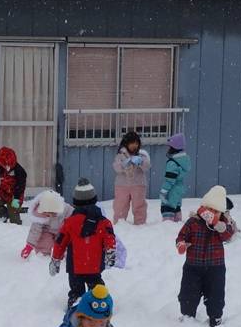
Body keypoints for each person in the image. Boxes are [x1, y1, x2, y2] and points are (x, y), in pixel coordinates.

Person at [50, 179, 117, 309]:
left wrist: (55, 259)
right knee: (97, 288)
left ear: (75, 202)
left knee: (76, 290)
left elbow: (60, 242)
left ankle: (76, 303)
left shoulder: (69, 222)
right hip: (94, 265)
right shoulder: (103, 222)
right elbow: (110, 238)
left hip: (75, 266)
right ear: (94, 200)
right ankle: (99, 304)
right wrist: (110, 253)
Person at [176, 185, 237, 327]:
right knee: (188, 294)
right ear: (204, 209)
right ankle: (187, 316)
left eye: (216, 211)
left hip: (215, 268)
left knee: (215, 296)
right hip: (193, 266)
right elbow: (181, 236)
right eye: (210, 210)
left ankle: (216, 318)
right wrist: (181, 244)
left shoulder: (223, 224)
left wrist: (220, 226)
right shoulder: (193, 222)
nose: (212, 214)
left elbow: (228, 236)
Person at [112, 131, 151, 224]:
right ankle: (119, 223)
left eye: (137, 143)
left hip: (138, 184)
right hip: (122, 185)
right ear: (126, 143)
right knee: (120, 205)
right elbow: (116, 167)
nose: (134, 145)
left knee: (139, 205)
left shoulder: (141, 155)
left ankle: (140, 223)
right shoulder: (121, 155)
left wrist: (141, 162)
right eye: (132, 143)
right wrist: (124, 164)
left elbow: (147, 166)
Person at [21, 190, 71, 258]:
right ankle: (44, 254)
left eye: (53, 213)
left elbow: (76, 216)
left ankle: (63, 252)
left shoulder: (66, 209)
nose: (50, 216)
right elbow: (35, 231)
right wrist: (29, 246)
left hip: (62, 231)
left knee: (66, 240)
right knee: (44, 241)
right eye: (47, 214)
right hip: (47, 231)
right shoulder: (39, 215)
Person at [0, 146, 27, 225]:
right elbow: (2, 183)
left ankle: (15, 221)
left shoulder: (19, 171)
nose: (3, 165)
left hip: (15, 196)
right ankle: (4, 214)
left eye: (4, 163)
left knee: (14, 222)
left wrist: (16, 198)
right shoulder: (2, 168)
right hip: (5, 194)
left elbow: (20, 186)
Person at [159, 132, 191, 221]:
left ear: (174, 148)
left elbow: (169, 180)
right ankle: (177, 224)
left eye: (170, 147)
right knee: (176, 208)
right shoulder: (183, 162)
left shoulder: (172, 163)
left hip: (171, 191)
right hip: (179, 190)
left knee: (167, 208)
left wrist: (164, 191)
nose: (168, 149)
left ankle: (168, 225)